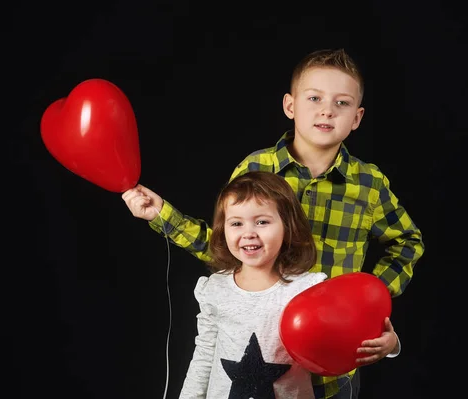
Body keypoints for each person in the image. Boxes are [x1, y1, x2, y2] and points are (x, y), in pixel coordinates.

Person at [122, 48, 424, 398]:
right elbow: (224, 244)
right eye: (314, 98)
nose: (327, 110)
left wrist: (370, 301)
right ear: (290, 106)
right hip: (260, 355)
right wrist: (162, 215)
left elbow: (408, 242)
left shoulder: (369, 184)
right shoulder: (256, 169)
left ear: (356, 118)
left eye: (341, 103)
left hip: (333, 364)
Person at [177, 171, 400, 398]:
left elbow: (350, 332)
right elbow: (205, 353)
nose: (248, 233)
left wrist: (390, 344)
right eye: (236, 223)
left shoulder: (308, 289)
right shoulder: (215, 288)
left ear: (287, 227)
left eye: (262, 221)